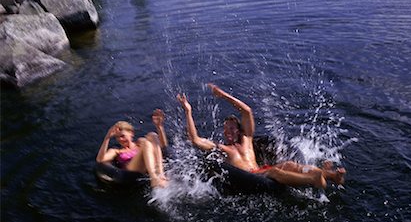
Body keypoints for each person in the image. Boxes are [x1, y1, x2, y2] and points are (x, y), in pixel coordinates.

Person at [177, 84, 345, 189]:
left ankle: (330, 176)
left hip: (260, 171)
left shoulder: (247, 140)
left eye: (231, 128)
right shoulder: (222, 149)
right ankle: (313, 179)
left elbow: (247, 111)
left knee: (288, 164)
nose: (227, 132)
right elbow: (195, 140)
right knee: (275, 171)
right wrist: (188, 111)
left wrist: (223, 95)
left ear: (239, 131)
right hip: (251, 177)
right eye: (225, 129)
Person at [96, 109, 168, 188]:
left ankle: (161, 173)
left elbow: (161, 147)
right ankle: (154, 178)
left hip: (147, 165)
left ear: (131, 133)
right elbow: (100, 160)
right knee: (146, 143)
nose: (120, 139)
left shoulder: (139, 142)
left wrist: (159, 127)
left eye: (122, 136)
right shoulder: (116, 151)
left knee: (152, 134)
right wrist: (107, 137)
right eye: (117, 137)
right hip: (131, 170)